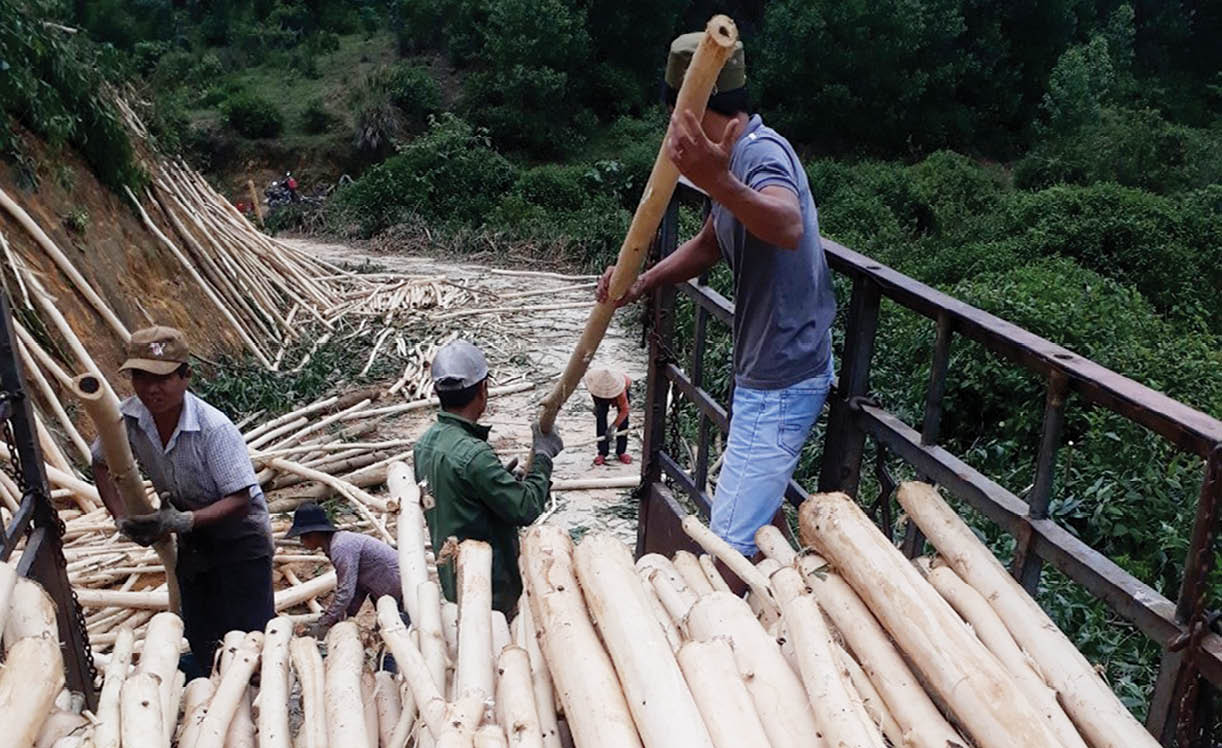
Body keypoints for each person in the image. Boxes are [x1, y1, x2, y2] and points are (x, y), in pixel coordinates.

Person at [596, 34, 836, 582]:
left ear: (698, 110)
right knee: (755, 522)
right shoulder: (732, 156)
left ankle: (729, 651)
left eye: (679, 117)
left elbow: (786, 221)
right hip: (765, 371)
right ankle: (775, 613)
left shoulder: (758, 153)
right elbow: (711, 240)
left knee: (724, 549)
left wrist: (716, 180)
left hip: (780, 380)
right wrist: (641, 282)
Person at [92, 326, 274, 677]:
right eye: (141, 378)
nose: (151, 389)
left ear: (185, 376)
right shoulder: (126, 418)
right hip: (194, 539)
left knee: (251, 635)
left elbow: (240, 497)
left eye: (162, 378)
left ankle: (257, 699)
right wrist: (120, 517)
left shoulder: (213, 428)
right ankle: (206, 694)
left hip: (241, 538)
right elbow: (100, 462)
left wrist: (182, 521)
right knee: (202, 628)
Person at [412, 340, 562, 614]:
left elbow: (453, 496)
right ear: (483, 389)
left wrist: (496, 485)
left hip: (454, 576)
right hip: (487, 585)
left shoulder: (424, 445)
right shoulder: (474, 454)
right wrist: (543, 457)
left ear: (436, 391)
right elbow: (526, 507)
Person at [284, 503, 402, 637]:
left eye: (303, 536)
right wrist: (343, 617)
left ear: (314, 534)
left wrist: (326, 622)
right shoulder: (337, 545)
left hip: (396, 584)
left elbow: (346, 590)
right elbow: (357, 587)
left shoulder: (340, 547)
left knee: (395, 633)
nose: (301, 541)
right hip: (384, 586)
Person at [583, 367, 632, 466]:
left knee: (623, 422)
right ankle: (602, 452)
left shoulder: (621, 389)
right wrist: (597, 407)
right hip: (599, 394)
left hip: (619, 393)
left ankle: (621, 451)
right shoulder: (593, 383)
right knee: (601, 418)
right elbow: (594, 396)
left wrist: (613, 427)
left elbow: (624, 410)